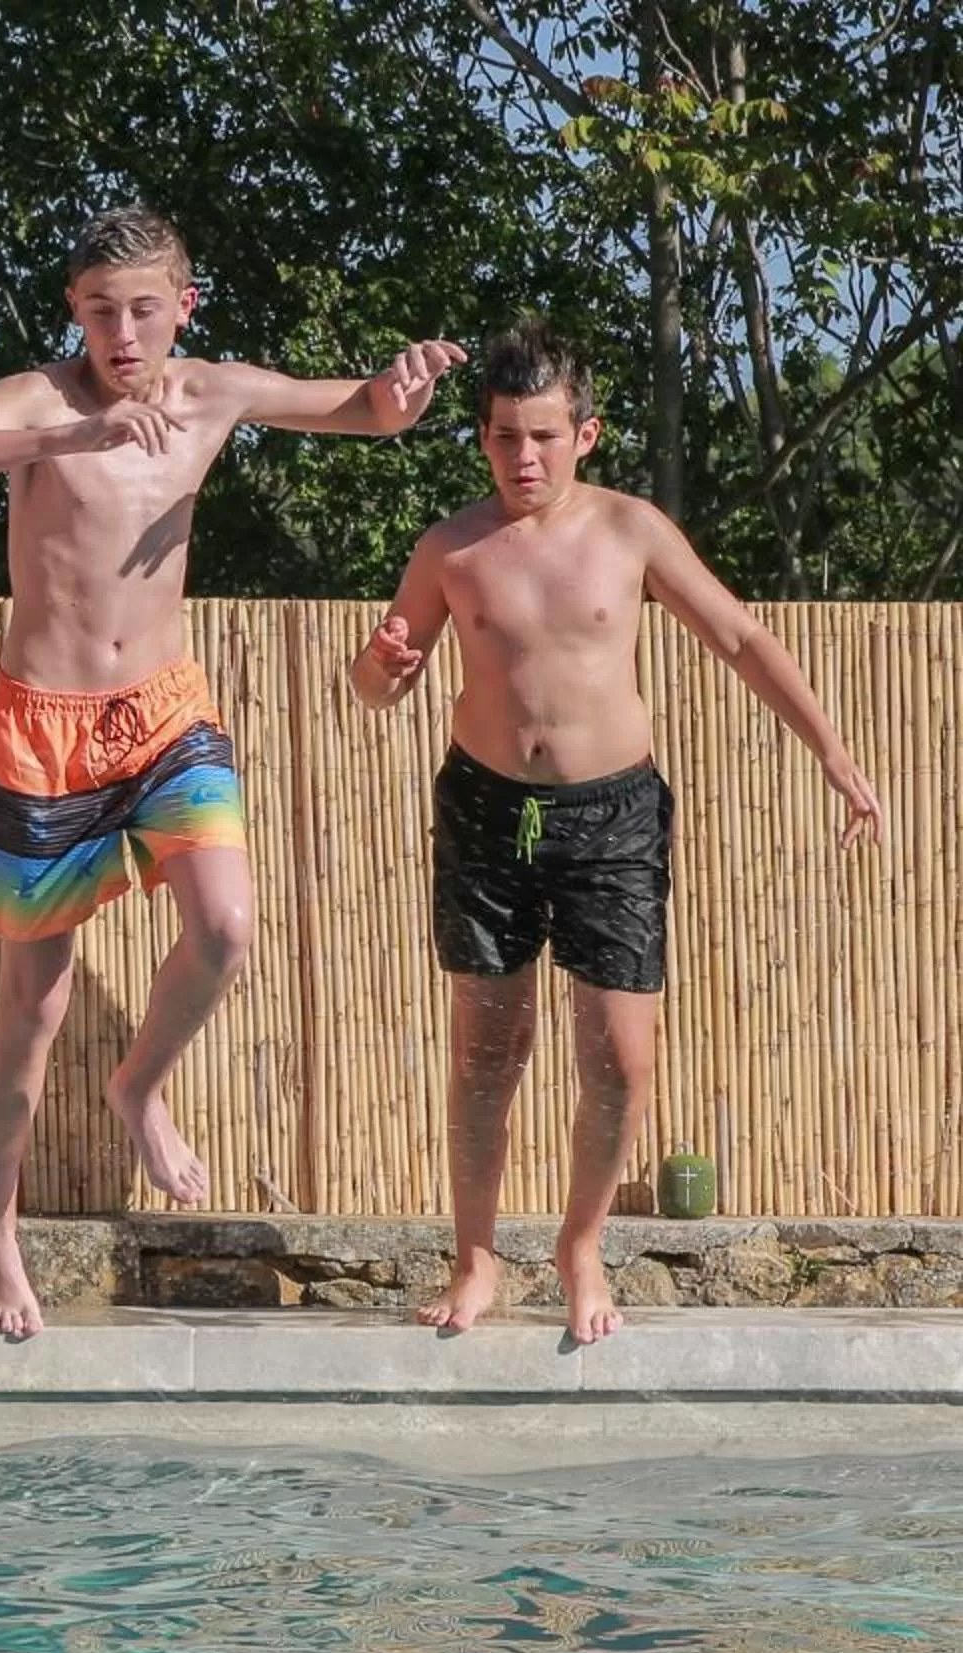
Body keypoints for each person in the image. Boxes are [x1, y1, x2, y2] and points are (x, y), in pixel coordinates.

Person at [0, 206, 464, 1337]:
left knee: (226, 925)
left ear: (182, 306)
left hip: (162, 713)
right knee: (34, 1000)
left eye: (144, 309)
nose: (122, 332)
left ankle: (137, 1086)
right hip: (43, 725)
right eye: (100, 311)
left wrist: (405, 389)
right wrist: (64, 443)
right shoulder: (42, 403)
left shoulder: (213, 393)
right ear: (75, 312)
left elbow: (366, 413)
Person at [348, 319, 882, 1343]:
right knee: (485, 1052)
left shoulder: (630, 531)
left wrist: (834, 753)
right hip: (487, 805)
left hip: (613, 814)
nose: (524, 458)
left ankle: (581, 1247)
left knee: (621, 1063)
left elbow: (738, 633)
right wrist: (381, 670)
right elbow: (374, 688)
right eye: (505, 437)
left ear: (586, 434)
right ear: (482, 439)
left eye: (544, 436)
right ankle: (474, 1261)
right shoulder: (451, 547)